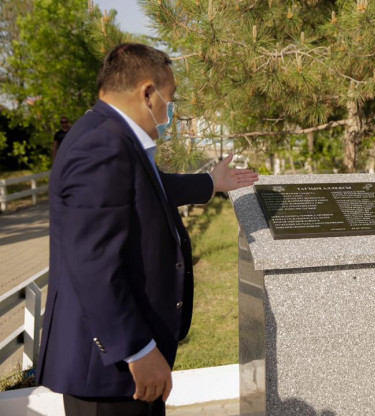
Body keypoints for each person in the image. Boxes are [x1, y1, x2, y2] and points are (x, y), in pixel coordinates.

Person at [37, 43, 259, 416]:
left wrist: (211, 182)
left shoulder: (108, 135)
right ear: (147, 93)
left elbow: (147, 187)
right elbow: (92, 262)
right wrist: (137, 350)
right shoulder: (101, 145)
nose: (168, 113)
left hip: (120, 364)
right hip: (109, 369)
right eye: (169, 100)